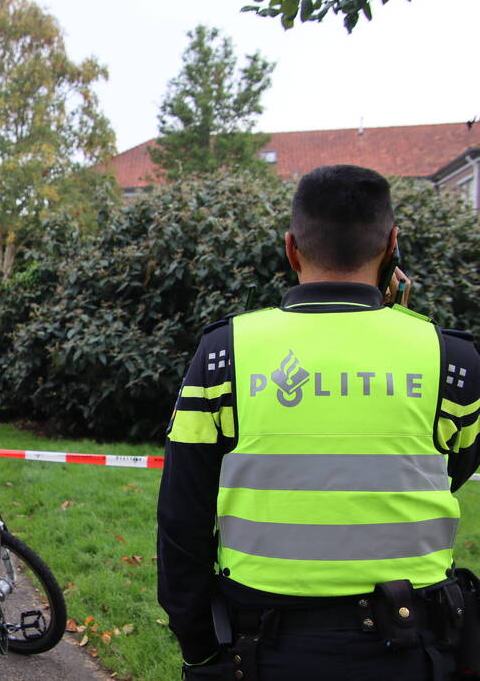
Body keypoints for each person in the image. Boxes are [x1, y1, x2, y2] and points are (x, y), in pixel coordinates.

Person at [157, 164, 480, 681]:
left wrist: (198, 648)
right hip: (414, 649)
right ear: (393, 245)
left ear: (291, 249)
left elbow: (182, 521)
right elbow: (443, 470)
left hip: (263, 648)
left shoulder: (224, 354)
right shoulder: (453, 361)